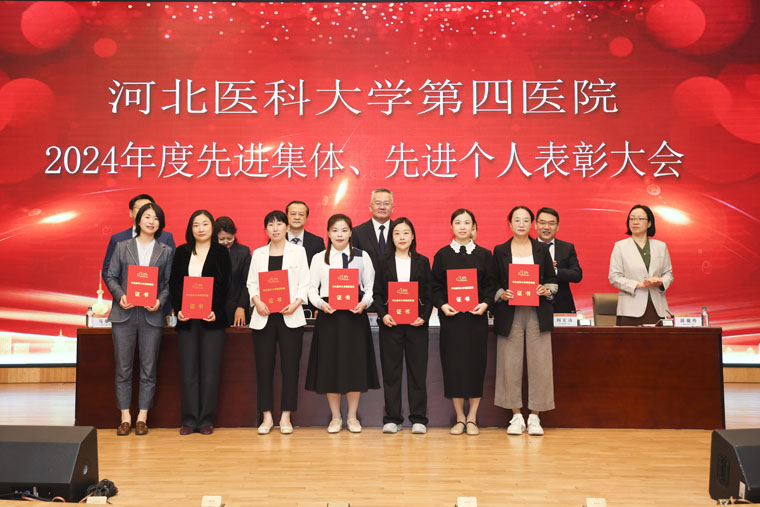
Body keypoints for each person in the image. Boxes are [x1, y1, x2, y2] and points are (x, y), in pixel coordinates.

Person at [305, 214, 380, 433]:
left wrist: (365, 303)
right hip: (329, 316)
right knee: (330, 366)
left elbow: (370, 287)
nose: (339, 234)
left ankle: (353, 417)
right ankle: (336, 417)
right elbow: (311, 288)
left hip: (355, 316)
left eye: (344, 230)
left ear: (350, 233)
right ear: (328, 233)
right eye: (335, 230)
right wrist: (320, 304)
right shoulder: (319, 258)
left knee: (355, 366)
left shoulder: (362, 256)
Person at [105, 202, 173, 436]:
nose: (151, 222)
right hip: (124, 315)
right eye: (147, 217)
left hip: (151, 317)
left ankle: (142, 417)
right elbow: (111, 276)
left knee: (148, 369)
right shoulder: (122, 246)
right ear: (138, 219)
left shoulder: (166, 251)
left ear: (160, 224)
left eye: (156, 218)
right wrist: (120, 295)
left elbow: (168, 284)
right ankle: (125, 417)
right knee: (123, 369)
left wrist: (160, 301)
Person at [492, 206, 558, 437]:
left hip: (537, 313)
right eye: (516, 220)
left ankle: (535, 417)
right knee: (509, 364)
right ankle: (516, 416)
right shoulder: (500, 250)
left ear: (532, 224)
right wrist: (502, 293)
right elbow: (492, 283)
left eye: (526, 220)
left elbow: (552, 280)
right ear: (509, 224)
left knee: (540, 364)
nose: (521, 224)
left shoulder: (541, 249)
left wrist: (545, 290)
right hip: (510, 313)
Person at [431, 209, 497, 436]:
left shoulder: (484, 255)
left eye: (467, 223)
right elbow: (435, 287)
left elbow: (491, 286)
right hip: (452, 322)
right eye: (458, 223)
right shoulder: (442, 255)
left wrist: (485, 304)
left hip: (476, 321)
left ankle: (472, 418)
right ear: (451, 227)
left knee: (475, 367)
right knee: (454, 367)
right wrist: (442, 305)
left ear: (473, 227)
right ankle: (459, 417)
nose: (462, 227)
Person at [246, 210, 310, 435]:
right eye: (270, 225)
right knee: (264, 368)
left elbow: (304, 283)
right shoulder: (258, 253)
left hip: (290, 317)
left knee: (290, 368)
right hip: (263, 318)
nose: (275, 228)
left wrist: (296, 303)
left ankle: (285, 416)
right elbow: (251, 283)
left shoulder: (298, 252)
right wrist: (256, 301)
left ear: (287, 228)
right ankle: (266, 417)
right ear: (266, 229)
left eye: (279, 224)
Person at [169, 210, 231, 435]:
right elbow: (174, 284)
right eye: (196, 224)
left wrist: (216, 311)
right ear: (190, 228)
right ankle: (189, 420)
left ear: (212, 227)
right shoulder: (182, 252)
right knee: (189, 371)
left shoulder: (221, 252)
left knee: (210, 372)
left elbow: (225, 286)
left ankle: (205, 420)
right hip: (187, 320)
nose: (201, 228)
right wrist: (179, 309)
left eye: (205, 224)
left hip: (212, 321)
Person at [373, 217, 433, 435]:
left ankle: (418, 419)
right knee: (391, 374)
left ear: (413, 236)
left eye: (406, 233)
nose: (401, 237)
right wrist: (384, 315)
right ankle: (392, 418)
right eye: (397, 233)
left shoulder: (422, 261)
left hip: (417, 326)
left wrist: (424, 317)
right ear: (392, 237)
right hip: (391, 325)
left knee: (417, 373)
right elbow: (377, 293)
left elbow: (429, 294)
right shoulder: (383, 261)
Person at [608, 204, 673, 326]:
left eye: (640, 219)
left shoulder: (661, 246)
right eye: (632, 219)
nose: (635, 222)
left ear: (649, 223)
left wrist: (660, 282)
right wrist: (638, 284)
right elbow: (614, 277)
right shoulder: (620, 246)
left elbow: (668, 274)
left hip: (657, 308)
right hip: (630, 309)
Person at [102, 194, 176, 283]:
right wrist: (120, 291)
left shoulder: (166, 238)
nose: (144, 211)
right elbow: (108, 272)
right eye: (140, 208)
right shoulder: (118, 239)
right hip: (124, 291)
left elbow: (172, 272)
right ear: (131, 213)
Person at [535, 207, 583, 314]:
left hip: (561, 305)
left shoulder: (567, 247)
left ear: (558, 227)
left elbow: (577, 275)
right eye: (542, 223)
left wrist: (555, 271)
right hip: (535, 306)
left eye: (551, 223)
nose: (547, 227)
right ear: (535, 225)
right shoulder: (527, 247)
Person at [216, 216, 252, 326]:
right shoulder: (209, 251)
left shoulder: (243, 252)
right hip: (213, 310)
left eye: (229, 238)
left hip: (237, 309)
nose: (226, 242)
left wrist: (241, 307)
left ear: (234, 235)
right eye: (222, 239)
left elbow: (247, 283)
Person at [352, 188, 395, 267]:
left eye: (386, 203)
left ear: (392, 208)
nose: (382, 207)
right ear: (370, 207)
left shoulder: (399, 231)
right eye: (378, 203)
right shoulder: (357, 232)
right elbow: (353, 263)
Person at [285, 200, 325, 265]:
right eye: (293, 214)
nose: (297, 217)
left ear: (306, 217)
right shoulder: (277, 240)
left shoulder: (317, 242)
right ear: (286, 216)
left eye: (301, 214)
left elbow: (322, 266)